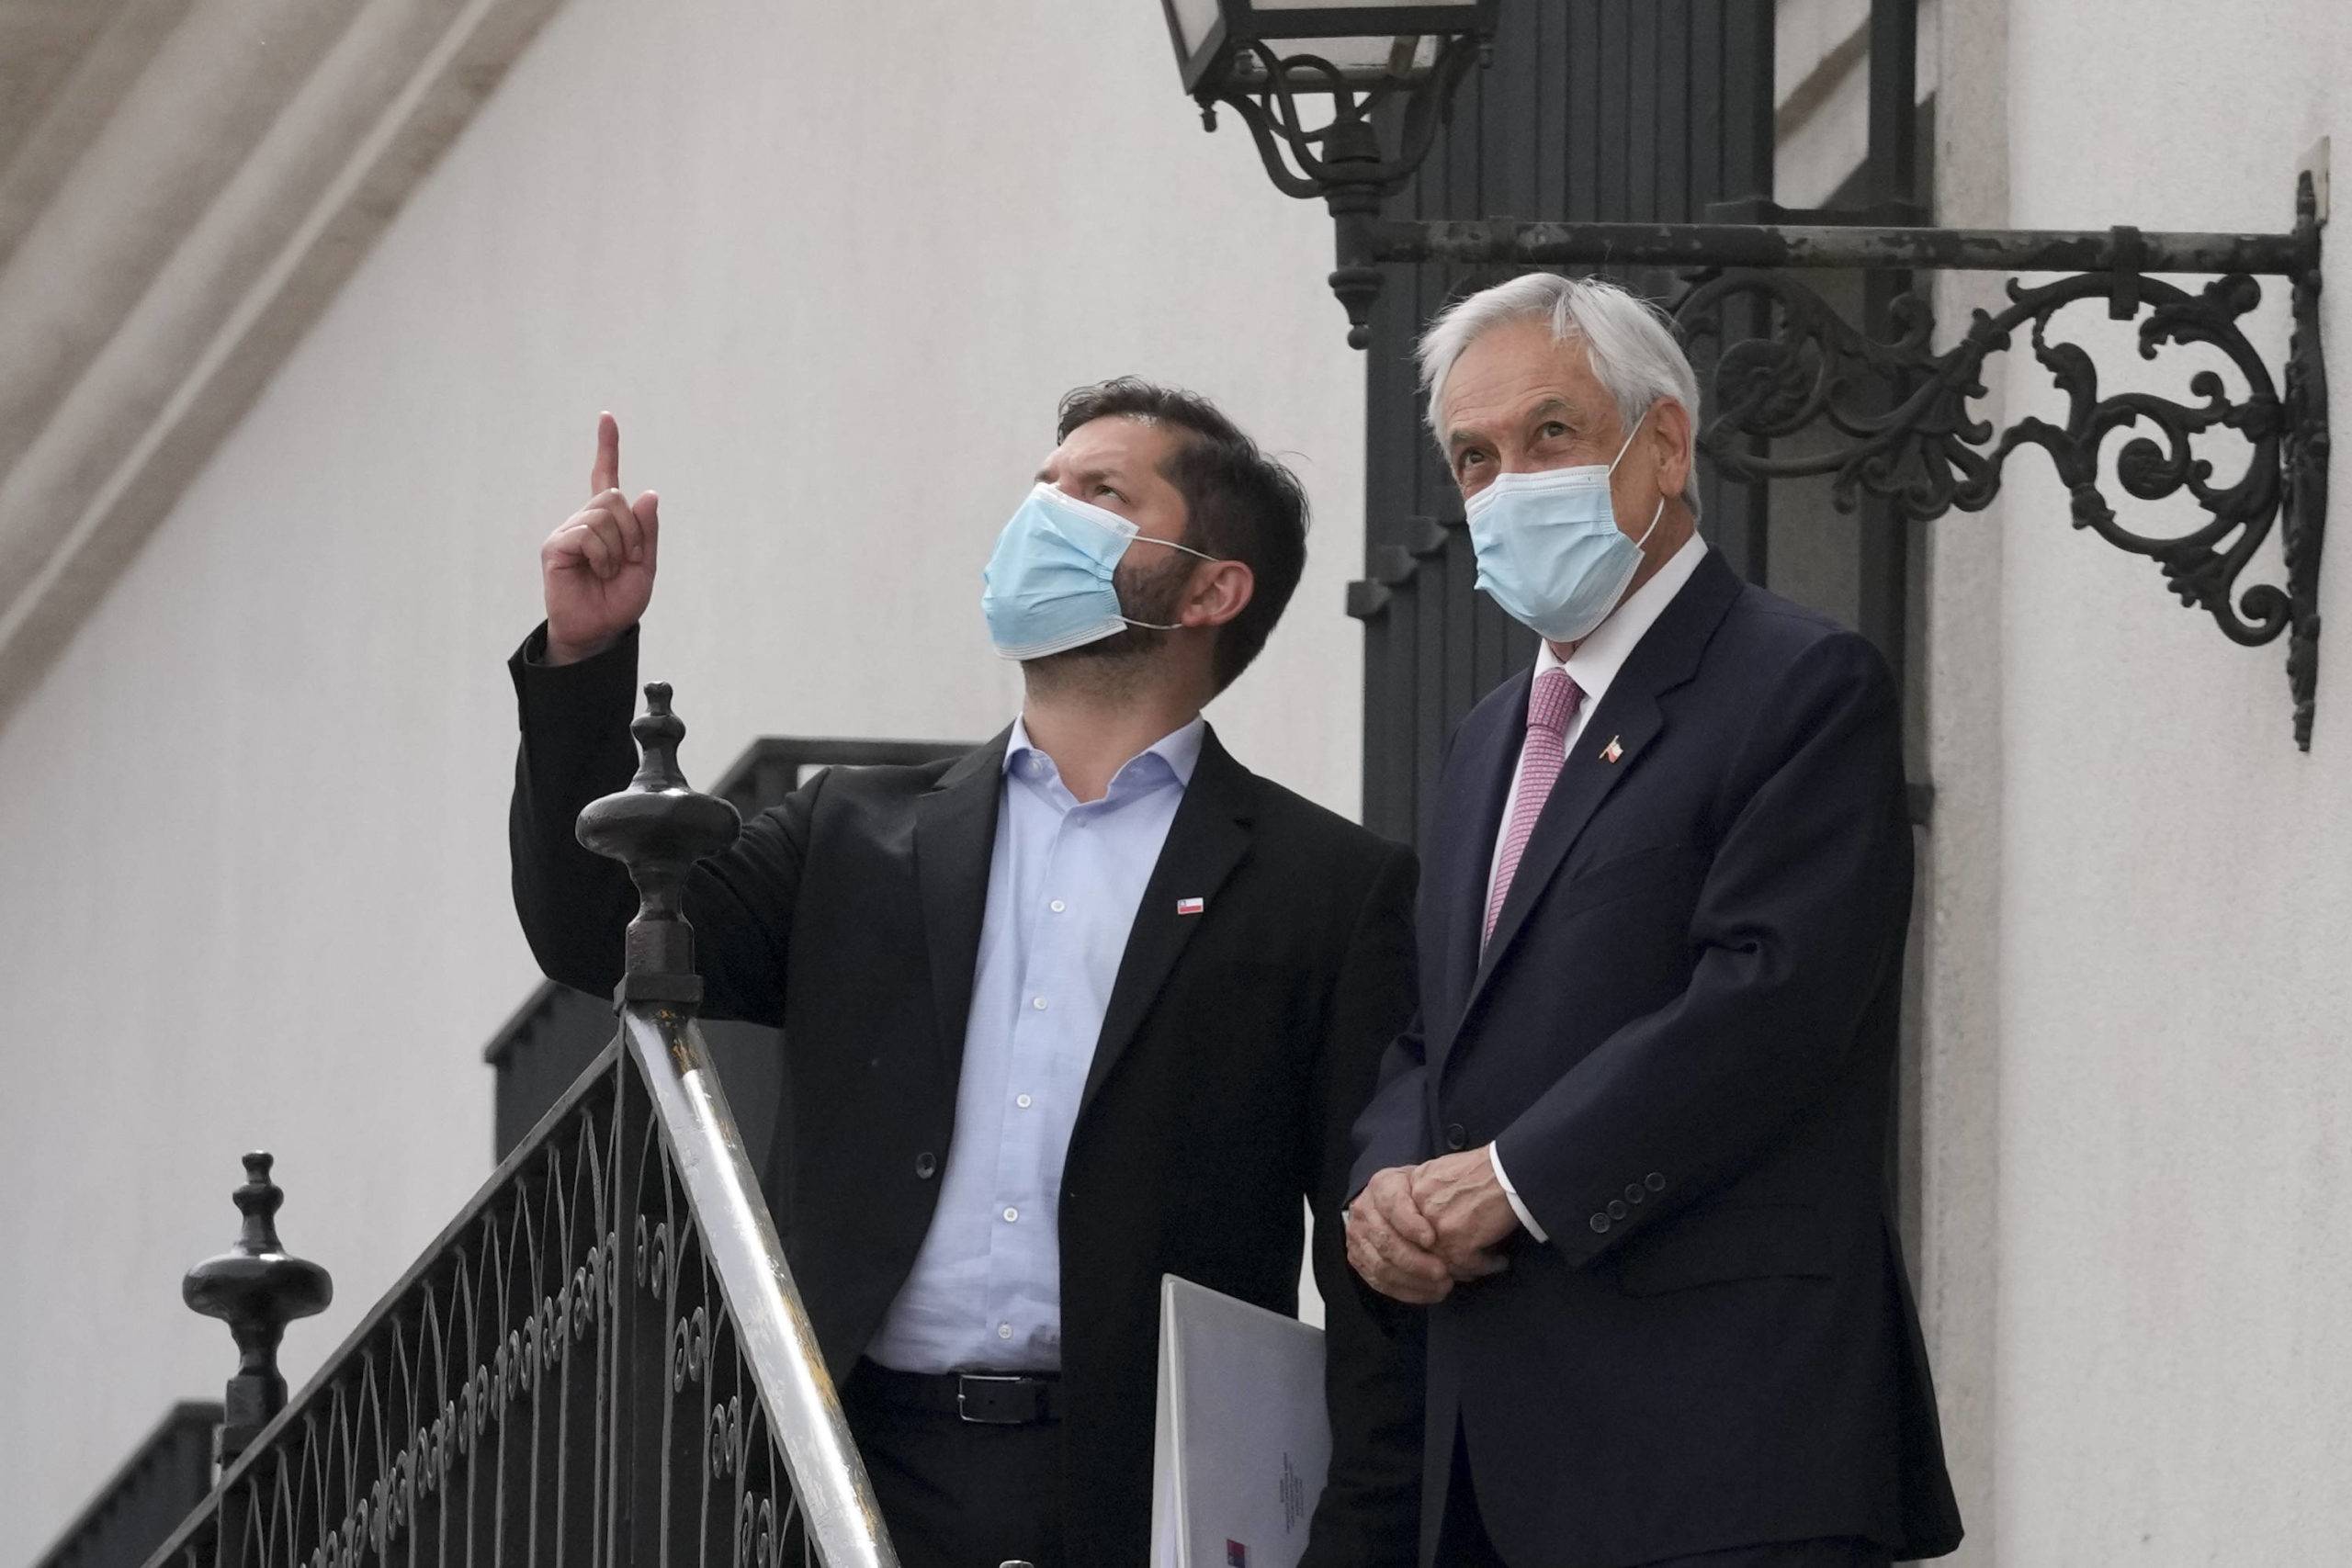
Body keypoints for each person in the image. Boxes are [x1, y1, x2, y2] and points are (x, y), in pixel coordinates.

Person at [509, 379, 1422, 1567]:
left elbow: (1371, 1278)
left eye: (1099, 492)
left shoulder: (1328, 888)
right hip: (848, 1472)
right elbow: (599, 929)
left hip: (1136, 1496)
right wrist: (587, 656)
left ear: (1211, 587)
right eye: (1043, 486)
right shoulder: (850, 830)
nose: (1044, 511)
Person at [1345, 275, 1964, 1568]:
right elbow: (1436, 1035)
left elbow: (1770, 1002)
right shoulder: (1484, 742)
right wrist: (1387, 1189)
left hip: (1720, 1457)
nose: (1509, 482)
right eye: (1475, 456)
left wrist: (1512, 1181)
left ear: (1666, 445)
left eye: (1550, 434)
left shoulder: (1800, 685)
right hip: (1489, 1462)